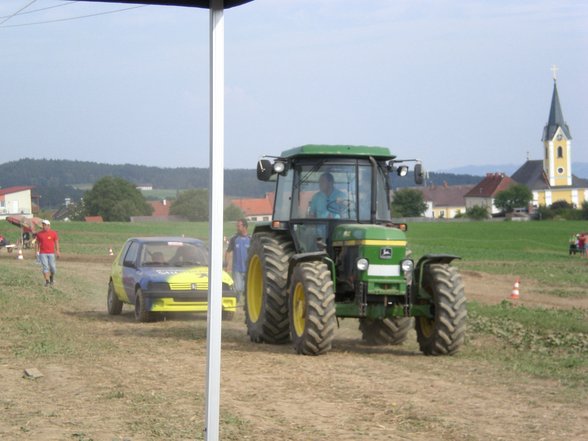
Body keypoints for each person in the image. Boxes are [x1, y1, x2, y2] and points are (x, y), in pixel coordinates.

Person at [224, 218, 251, 301]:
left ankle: (245, 304)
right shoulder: (234, 239)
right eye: (237, 226)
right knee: (238, 288)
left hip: (248, 269)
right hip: (237, 269)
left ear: (244, 227)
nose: (237, 228)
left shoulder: (251, 239)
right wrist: (227, 264)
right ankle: (235, 303)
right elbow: (228, 252)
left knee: (246, 289)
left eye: (238, 226)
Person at [35, 219, 60, 287]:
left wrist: (57, 251)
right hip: (42, 253)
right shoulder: (39, 234)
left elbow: (56, 242)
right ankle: (47, 281)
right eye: (43, 225)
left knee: (53, 268)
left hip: (51, 253)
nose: (43, 226)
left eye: (45, 225)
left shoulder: (53, 233)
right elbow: (37, 243)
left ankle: (51, 277)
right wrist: (37, 252)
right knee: (45, 267)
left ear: (49, 226)